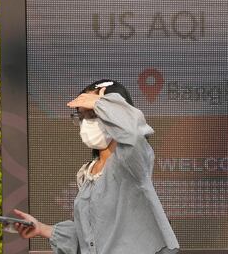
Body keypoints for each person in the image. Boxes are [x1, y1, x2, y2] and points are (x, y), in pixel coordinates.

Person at [10, 79, 179, 254]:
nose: (86, 123)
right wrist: (41, 228)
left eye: (93, 114)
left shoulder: (132, 162)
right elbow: (91, 238)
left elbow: (134, 134)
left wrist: (102, 103)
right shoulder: (87, 173)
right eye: (81, 116)